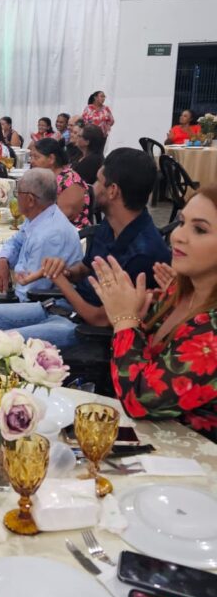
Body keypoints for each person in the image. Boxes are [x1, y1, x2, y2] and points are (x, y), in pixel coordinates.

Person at [0, 148, 171, 347]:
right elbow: (85, 269)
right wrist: (66, 270)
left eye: (98, 181)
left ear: (113, 191)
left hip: (83, 329)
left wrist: (61, 281)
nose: (92, 188)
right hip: (64, 307)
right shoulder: (111, 224)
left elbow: (100, 319)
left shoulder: (144, 254)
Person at [88, 186, 217, 440]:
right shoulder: (180, 291)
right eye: (182, 222)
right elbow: (145, 356)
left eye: (200, 229)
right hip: (148, 440)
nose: (178, 236)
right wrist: (136, 315)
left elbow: (138, 402)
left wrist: (125, 319)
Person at [0, 169, 83, 343]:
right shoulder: (41, 216)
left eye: (18, 193)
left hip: (49, 307)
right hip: (39, 300)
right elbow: (15, 241)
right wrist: (3, 260)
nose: (16, 198)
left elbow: (31, 293)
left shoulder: (49, 236)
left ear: (30, 200)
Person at [30, 136, 90, 228]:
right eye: (31, 157)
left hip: (70, 231)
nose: (31, 161)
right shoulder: (44, 177)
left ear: (51, 159)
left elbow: (62, 216)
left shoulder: (69, 180)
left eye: (36, 157)